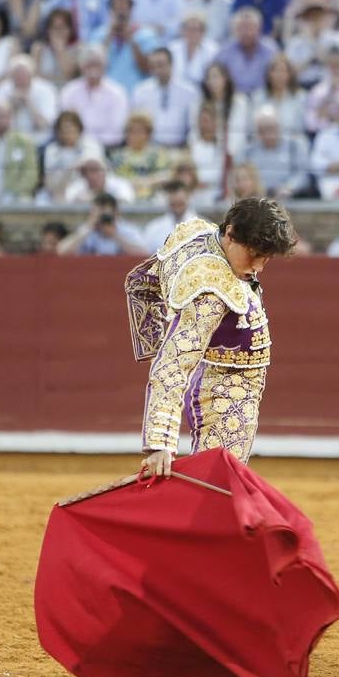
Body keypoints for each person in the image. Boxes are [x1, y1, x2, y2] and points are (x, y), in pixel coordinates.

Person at [126, 199, 296, 475]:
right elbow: (173, 365)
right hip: (224, 392)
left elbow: (142, 281)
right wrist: (160, 444)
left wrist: (155, 340)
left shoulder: (196, 233)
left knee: (216, 487)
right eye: (254, 254)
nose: (260, 267)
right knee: (217, 487)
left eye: (266, 258)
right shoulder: (211, 290)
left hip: (217, 381)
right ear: (231, 234)